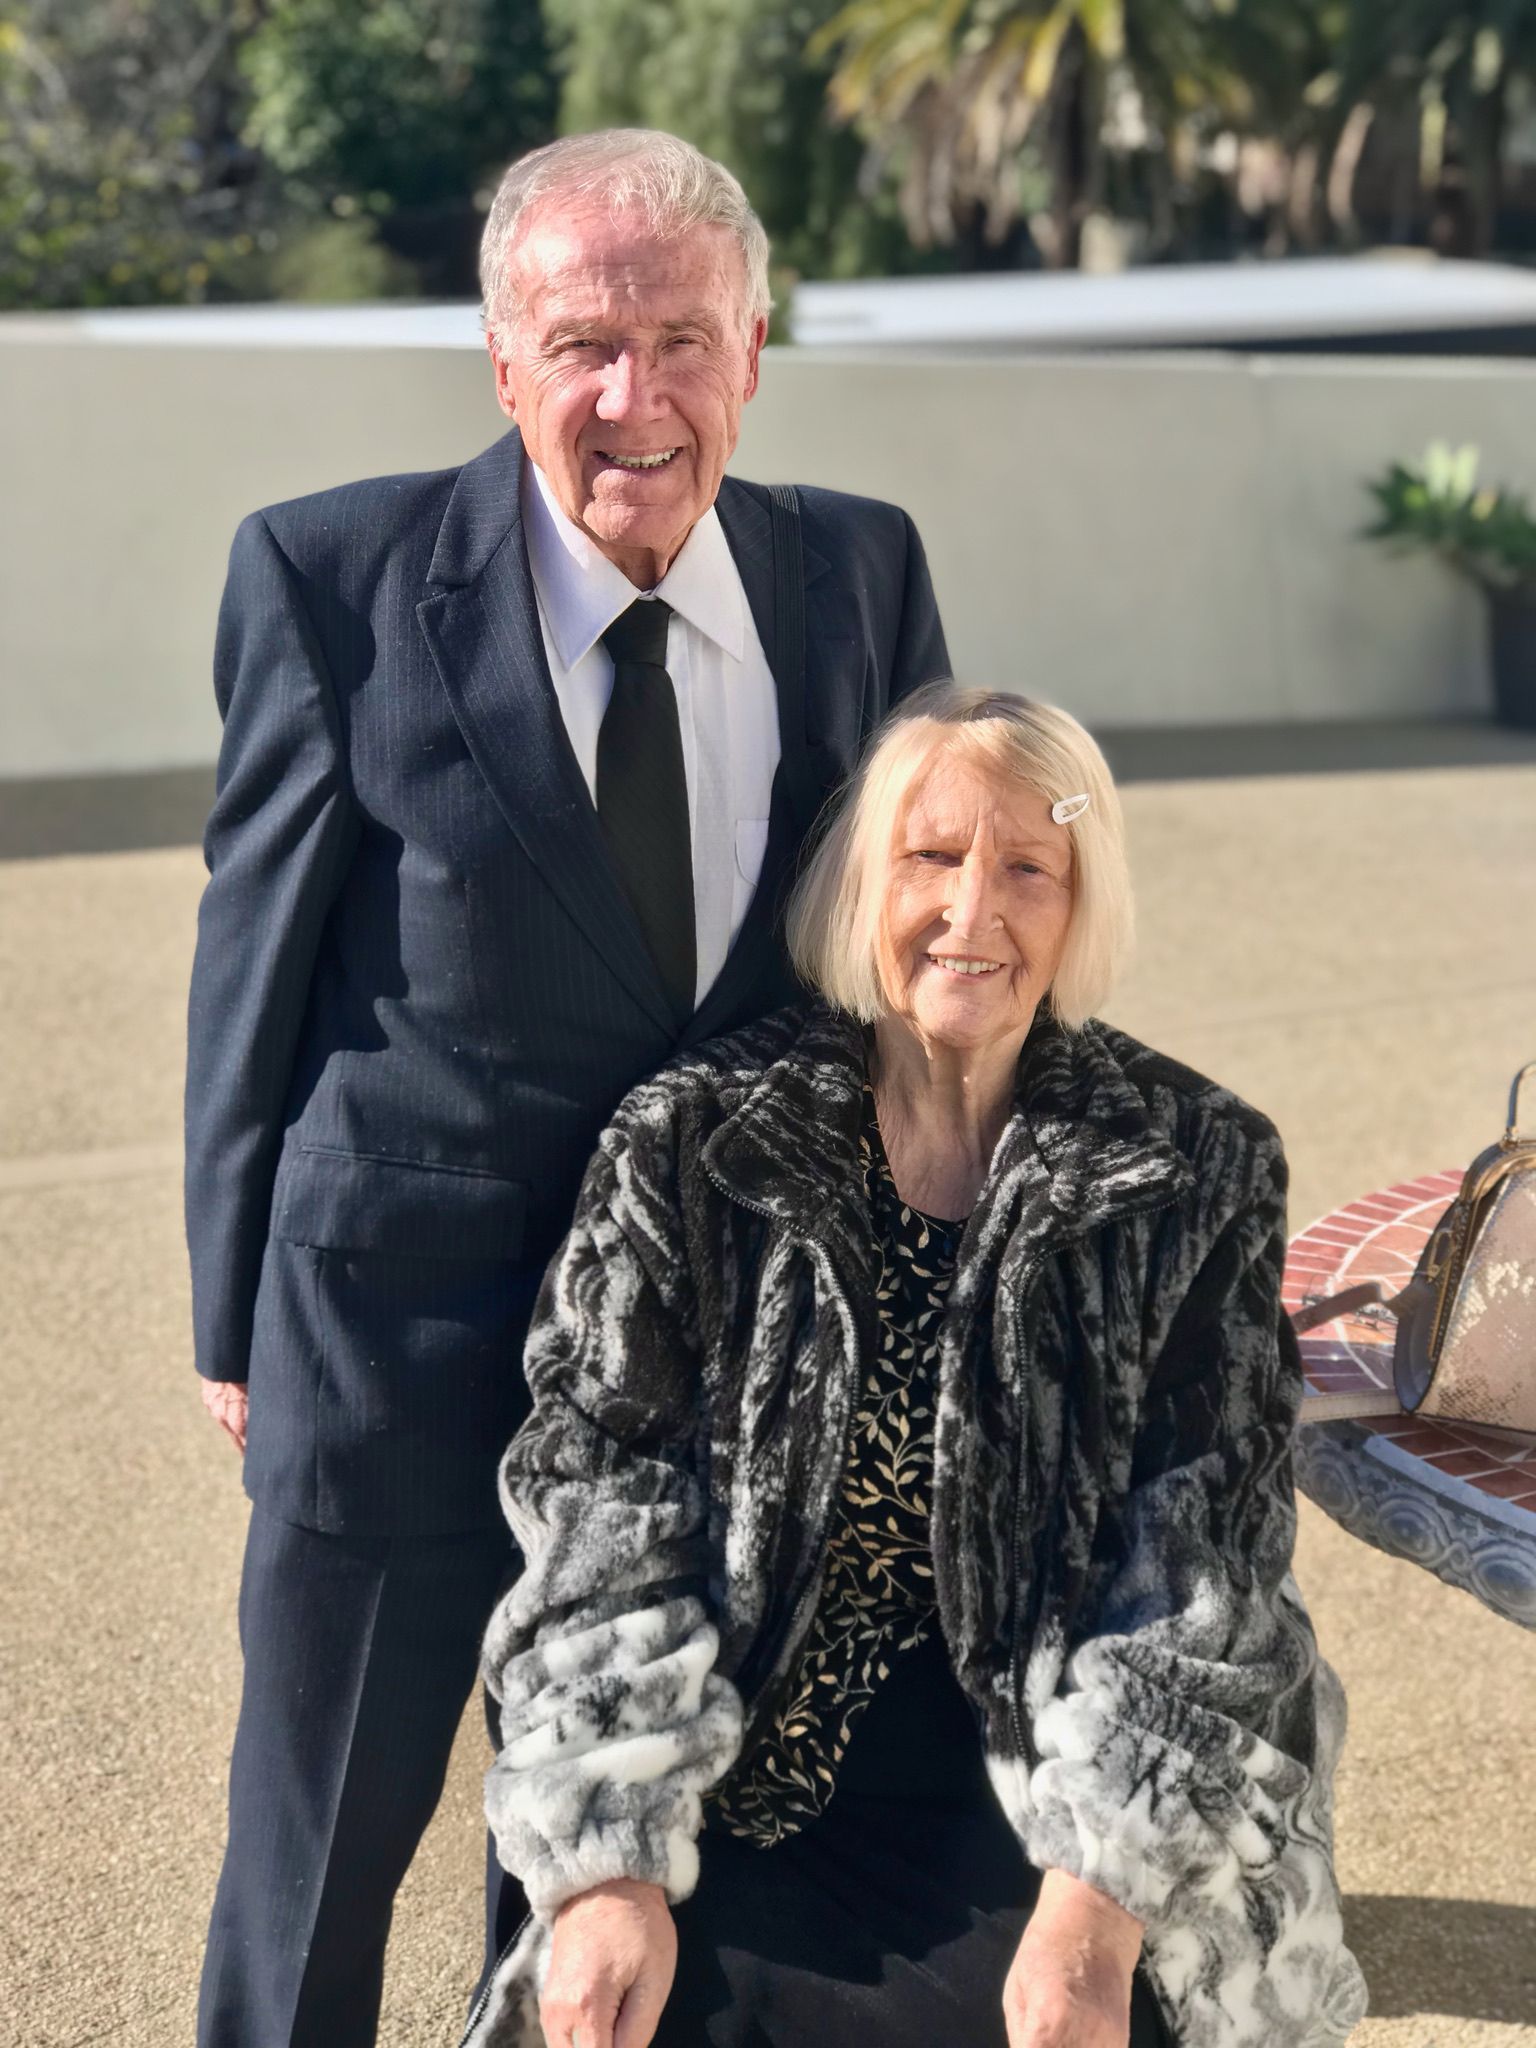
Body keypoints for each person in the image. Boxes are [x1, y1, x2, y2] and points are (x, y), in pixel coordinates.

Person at [185, 129, 947, 2048]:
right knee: (321, 1848)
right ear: (503, 357)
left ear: (754, 350)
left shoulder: (856, 570)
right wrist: (230, 1317)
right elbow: (254, 966)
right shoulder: (329, 577)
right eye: (584, 344)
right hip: (396, 1333)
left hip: (718, 1350)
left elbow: (926, 932)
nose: (635, 398)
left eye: (682, 340)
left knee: (617, 1854)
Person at [468, 684, 1368, 2048]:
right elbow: (598, 1511)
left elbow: (1208, 1567)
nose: (972, 911)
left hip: (1054, 1790)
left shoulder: (1192, 1163)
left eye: (1029, 869)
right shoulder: (696, 1143)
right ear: (859, 887)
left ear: (1082, 903)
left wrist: (1098, 1904)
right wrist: (610, 1865)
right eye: (931, 857)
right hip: (747, 1767)